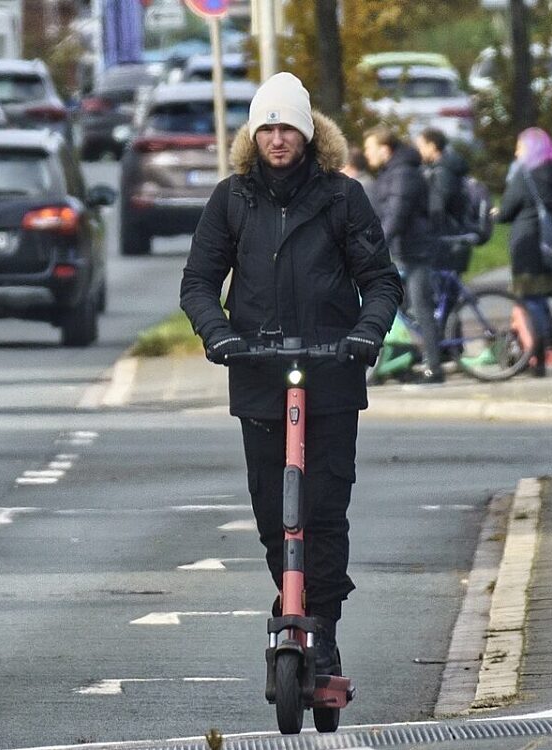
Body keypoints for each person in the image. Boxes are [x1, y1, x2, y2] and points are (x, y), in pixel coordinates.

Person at [179, 72, 403, 676]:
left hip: (331, 374)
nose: (278, 139)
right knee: (271, 509)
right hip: (257, 374)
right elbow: (199, 283)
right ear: (255, 135)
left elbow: (381, 281)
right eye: (267, 128)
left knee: (324, 507)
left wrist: (364, 334)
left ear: (307, 134)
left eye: (288, 128)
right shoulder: (232, 200)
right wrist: (219, 334)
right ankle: (292, 599)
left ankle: (321, 626)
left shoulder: (341, 198)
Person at [492, 127, 552, 377]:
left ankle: (536, 357)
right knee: (541, 300)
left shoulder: (524, 174)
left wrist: (496, 214)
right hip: (551, 244)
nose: (516, 151)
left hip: (527, 243)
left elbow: (506, 211)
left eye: (519, 146)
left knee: (531, 301)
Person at [363, 127, 443, 384]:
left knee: (421, 307)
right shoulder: (393, 172)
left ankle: (434, 366)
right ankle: (402, 361)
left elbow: (396, 215)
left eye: (370, 148)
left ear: (385, 150)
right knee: (397, 308)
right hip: (404, 250)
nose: (367, 154)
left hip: (415, 250)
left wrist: (376, 246)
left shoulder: (403, 174)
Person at [417, 127, 472, 272]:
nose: (419, 151)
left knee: (441, 286)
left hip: (446, 237)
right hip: (452, 234)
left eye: (421, 146)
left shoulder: (443, 172)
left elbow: (438, 205)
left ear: (432, 146)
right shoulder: (444, 168)